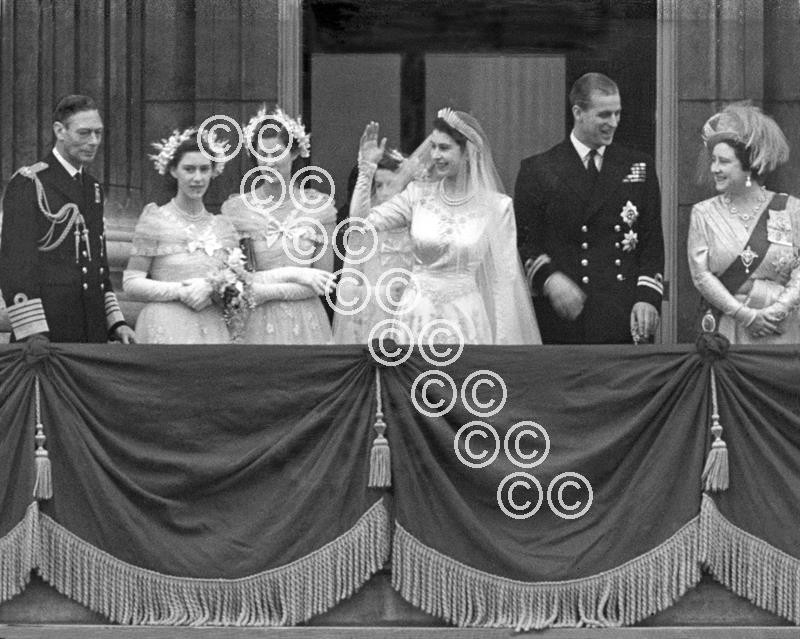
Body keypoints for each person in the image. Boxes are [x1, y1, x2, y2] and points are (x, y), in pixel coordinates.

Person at [349, 109, 541, 345]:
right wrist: (366, 170)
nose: (436, 155)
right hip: (417, 314)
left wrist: (501, 345)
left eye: (445, 148)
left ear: (468, 153)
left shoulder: (497, 207)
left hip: (465, 317)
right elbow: (360, 225)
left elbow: (503, 282)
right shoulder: (417, 196)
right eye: (434, 147)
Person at [515, 73, 664, 344]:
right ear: (578, 112)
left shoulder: (638, 166)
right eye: (604, 115)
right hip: (563, 317)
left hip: (622, 314)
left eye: (617, 114)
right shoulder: (539, 169)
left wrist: (648, 298)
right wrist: (549, 280)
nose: (614, 123)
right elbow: (525, 243)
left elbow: (652, 242)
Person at [0, 94, 135, 343]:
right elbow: (16, 264)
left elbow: (98, 264)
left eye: (98, 133)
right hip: (47, 331)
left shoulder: (93, 188)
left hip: (92, 329)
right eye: (84, 133)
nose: (93, 141)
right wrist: (32, 330)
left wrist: (116, 322)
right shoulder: (29, 183)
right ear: (59, 131)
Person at [221, 105, 336, 344]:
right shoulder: (238, 211)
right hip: (256, 319)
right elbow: (236, 279)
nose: (269, 162)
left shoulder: (320, 208)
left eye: (277, 153)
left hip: (306, 320)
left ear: (294, 153)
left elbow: (323, 280)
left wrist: (268, 290)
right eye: (262, 154)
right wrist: (297, 275)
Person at [688, 103, 800, 344]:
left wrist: (775, 311)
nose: (714, 169)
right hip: (728, 330)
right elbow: (702, 276)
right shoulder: (704, 213)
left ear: (748, 165)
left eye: (724, 161)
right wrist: (747, 316)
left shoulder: (791, 209)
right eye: (713, 160)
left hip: (782, 330)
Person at [332, 149, 413, 343]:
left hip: (409, 314)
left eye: (391, 185)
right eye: (378, 185)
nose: (385, 193)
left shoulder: (418, 229)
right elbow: (350, 281)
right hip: (371, 317)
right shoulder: (366, 228)